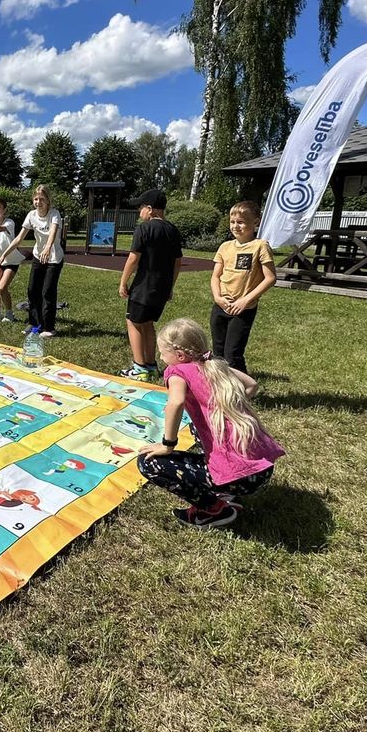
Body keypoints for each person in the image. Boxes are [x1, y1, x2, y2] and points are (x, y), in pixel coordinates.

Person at [136, 318, 284, 529]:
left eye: (162, 353)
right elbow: (251, 385)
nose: (161, 357)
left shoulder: (177, 371)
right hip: (262, 471)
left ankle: (213, 510)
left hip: (239, 477)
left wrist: (167, 445)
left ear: (180, 355)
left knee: (148, 462)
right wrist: (226, 407)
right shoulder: (215, 365)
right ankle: (225, 491)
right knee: (199, 426)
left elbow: (176, 403)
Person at [118, 189, 183, 382]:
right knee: (147, 323)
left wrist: (123, 282)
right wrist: (170, 286)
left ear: (150, 209)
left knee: (133, 322)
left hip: (143, 287)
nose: (139, 212)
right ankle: (151, 365)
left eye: (141, 208)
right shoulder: (172, 230)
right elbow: (177, 262)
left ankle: (139, 367)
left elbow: (133, 258)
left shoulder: (144, 229)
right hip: (161, 288)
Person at [210, 200, 277, 374]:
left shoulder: (260, 246)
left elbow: (270, 278)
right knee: (218, 352)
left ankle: (243, 386)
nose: (235, 226)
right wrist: (218, 298)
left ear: (256, 222)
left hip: (243, 310)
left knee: (232, 354)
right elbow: (215, 276)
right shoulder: (225, 247)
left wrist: (245, 301)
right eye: (232, 222)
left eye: (241, 222)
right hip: (221, 306)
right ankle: (220, 384)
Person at [0, 184, 64, 337]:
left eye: (41, 199)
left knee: (47, 292)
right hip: (38, 256)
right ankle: (34, 324)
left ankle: (49, 328)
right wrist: (4, 254)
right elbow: (19, 238)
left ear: (48, 200)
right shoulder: (31, 215)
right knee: (33, 290)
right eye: (36, 199)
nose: (38, 202)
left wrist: (48, 248)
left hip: (54, 258)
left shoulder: (54, 214)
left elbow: (53, 232)